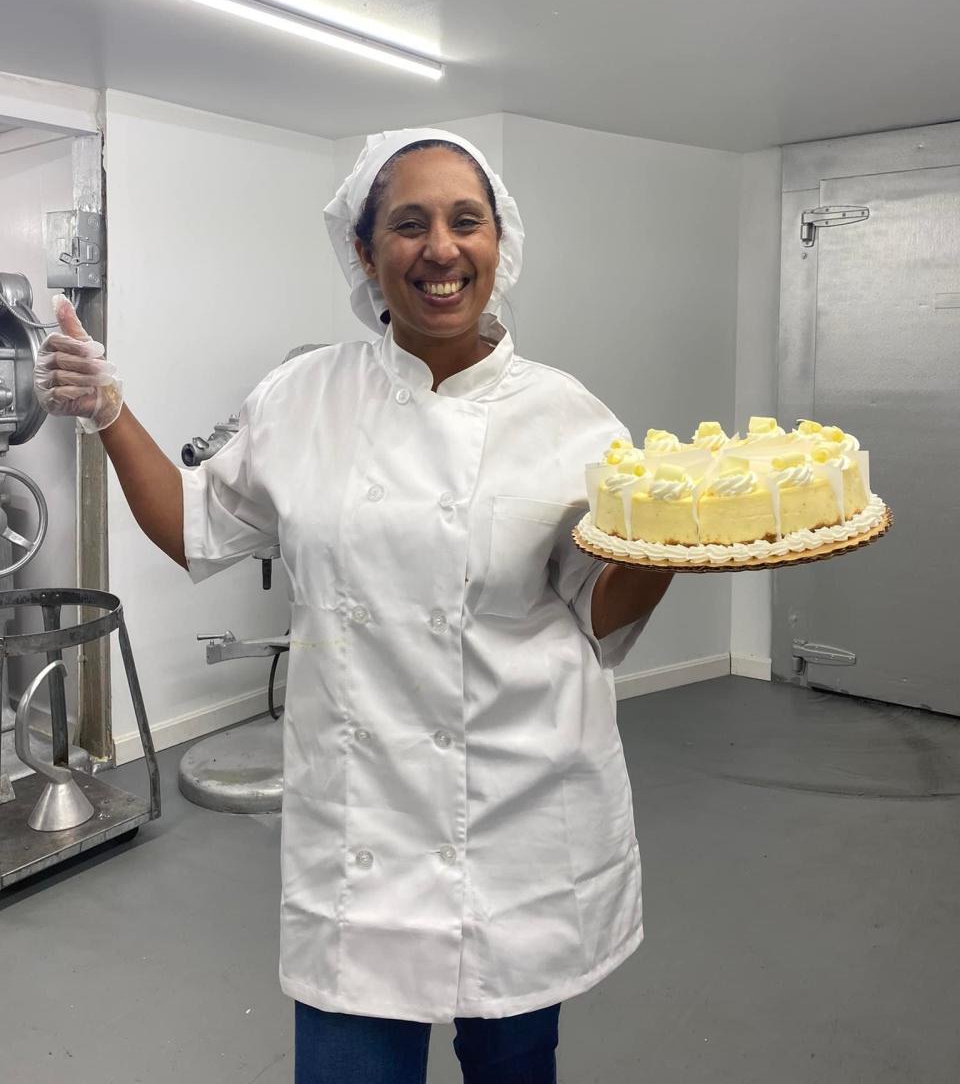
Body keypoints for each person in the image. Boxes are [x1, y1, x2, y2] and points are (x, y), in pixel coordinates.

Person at [33, 128, 674, 1084]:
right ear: (366, 252)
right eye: (407, 224)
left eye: (467, 221)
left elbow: (602, 616)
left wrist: (675, 543)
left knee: (516, 1065)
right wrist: (110, 412)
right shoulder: (302, 399)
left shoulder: (571, 418)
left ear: (502, 243)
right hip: (363, 840)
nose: (440, 248)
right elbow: (195, 527)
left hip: (518, 825)